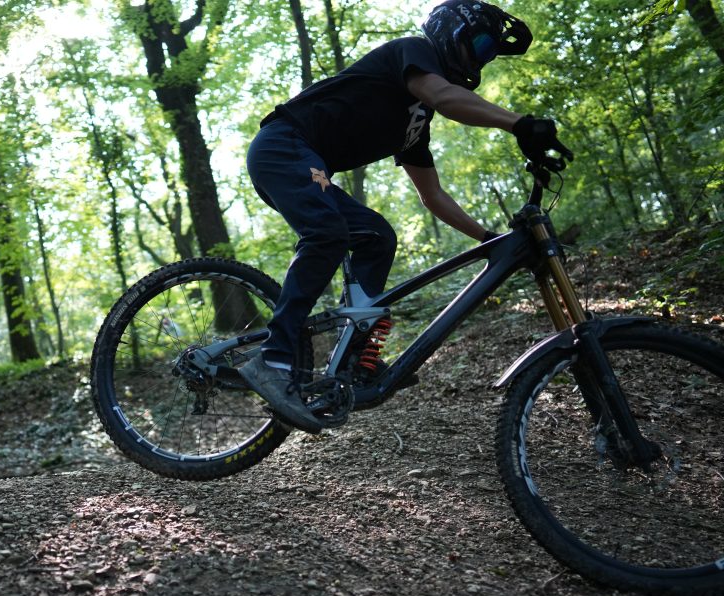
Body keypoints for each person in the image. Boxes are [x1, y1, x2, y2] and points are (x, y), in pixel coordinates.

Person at [239, 0, 573, 434]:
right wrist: (519, 124)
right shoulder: (412, 52)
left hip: (306, 165)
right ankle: (274, 358)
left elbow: (431, 195)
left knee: (377, 236)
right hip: (283, 147)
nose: (484, 56)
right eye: (483, 44)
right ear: (455, 31)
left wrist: (486, 238)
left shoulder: (415, 122)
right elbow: (445, 96)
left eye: (490, 53)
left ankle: (358, 359)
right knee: (329, 234)